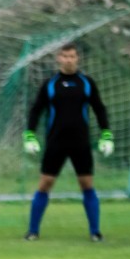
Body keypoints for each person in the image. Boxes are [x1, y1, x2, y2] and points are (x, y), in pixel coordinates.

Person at [22, 42, 113, 242]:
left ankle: (95, 232)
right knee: (45, 184)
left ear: (77, 58)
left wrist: (106, 134)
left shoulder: (86, 83)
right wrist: (29, 135)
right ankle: (32, 231)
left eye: (72, 56)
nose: (69, 60)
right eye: (65, 56)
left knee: (87, 184)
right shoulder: (50, 84)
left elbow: (99, 108)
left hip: (80, 143)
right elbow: (36, 109)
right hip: (56, 143)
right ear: (59, 58)